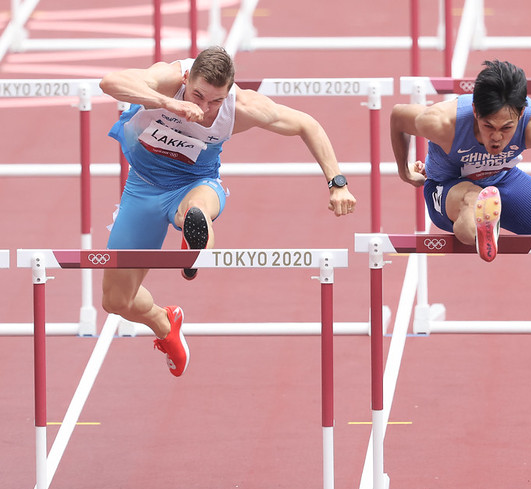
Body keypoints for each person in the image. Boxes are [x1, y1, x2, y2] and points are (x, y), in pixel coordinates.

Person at [100, 46, 356, 377]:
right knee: (116, 301)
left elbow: (307, 125)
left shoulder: (243, 106)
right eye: (198, 96)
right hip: (142, 189)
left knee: (196, 211)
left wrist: (337, 183)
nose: (204, 109)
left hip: (195, 185)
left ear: (229, 92)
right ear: (186, 79)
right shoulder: (166, 80)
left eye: (215, 101)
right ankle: (165, 321)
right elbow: (109, 82)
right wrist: (168, 102)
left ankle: (195, 238)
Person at [390, 59, 531, 298]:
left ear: (521, 114)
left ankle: (500, 213)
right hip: (448, 188)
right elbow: (398, 116)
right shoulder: (442, 121)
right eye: (488, 126)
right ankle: (483, 220)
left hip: (504, 182)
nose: (496, 138)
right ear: (475, 111)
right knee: (471, 215)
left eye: (506, 128)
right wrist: (404, 172)